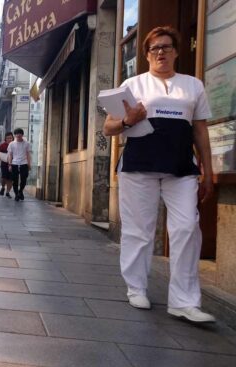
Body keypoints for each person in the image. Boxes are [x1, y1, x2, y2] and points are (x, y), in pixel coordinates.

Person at [103, 26, 215, 323]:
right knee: (139, 230)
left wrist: (209, 169)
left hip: (181, 167)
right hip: (139, 165)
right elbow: (109, 128)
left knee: (187, 229)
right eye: (155, 48)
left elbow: (200, 130)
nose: (161, 52)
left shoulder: (193, 86)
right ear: (147, 55)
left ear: (177, 51)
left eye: (167, 47)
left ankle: (184, 301)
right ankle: (136, 287)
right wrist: (128, 119)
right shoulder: (134, 85)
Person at [7, 128, 31, 201]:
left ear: (22, 135)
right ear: (15, 135)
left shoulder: (27, 143)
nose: (18, 135)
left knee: (24, 179)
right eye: (16, 134)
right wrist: (10, 165)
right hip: (14, 163)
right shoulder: (11, 144)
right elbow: (10, 155)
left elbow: (28, 154)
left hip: (24, 163)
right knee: (15, 180)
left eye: (19, 134)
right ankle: (16, 194)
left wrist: (29, 164)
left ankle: (21, 191)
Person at [0, 132, 14, 198]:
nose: (9, 139)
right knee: (4, 177)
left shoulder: (15, 145)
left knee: (10, 179)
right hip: (4, 164)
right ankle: (3, 187)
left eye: (10, 138)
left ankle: (7, 192)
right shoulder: (2, 145)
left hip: (13, 164)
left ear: (12, 138)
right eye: (7, 138)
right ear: (5, 139)